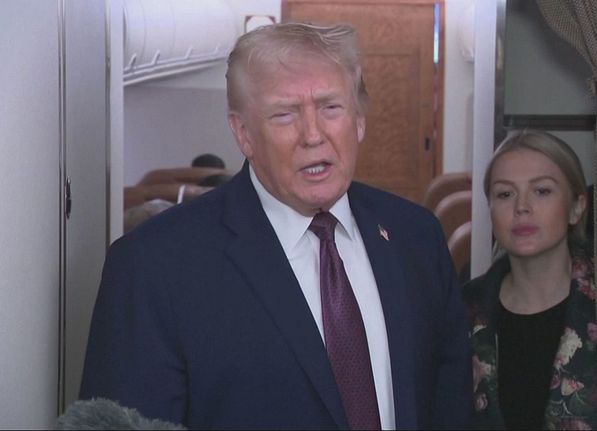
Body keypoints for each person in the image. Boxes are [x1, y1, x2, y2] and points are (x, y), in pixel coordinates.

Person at [80, 22, 472, 429]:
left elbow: (450, 410)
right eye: (285, 114)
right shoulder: (152, 266)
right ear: (243, 134)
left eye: (330, 107)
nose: (313, 135)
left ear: (359, 120)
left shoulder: (416, 237)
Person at [463, 130, 597, 430]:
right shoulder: (462, 311)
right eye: (505, 194)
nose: (521, 207)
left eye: (542, 191)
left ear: (576, 207)